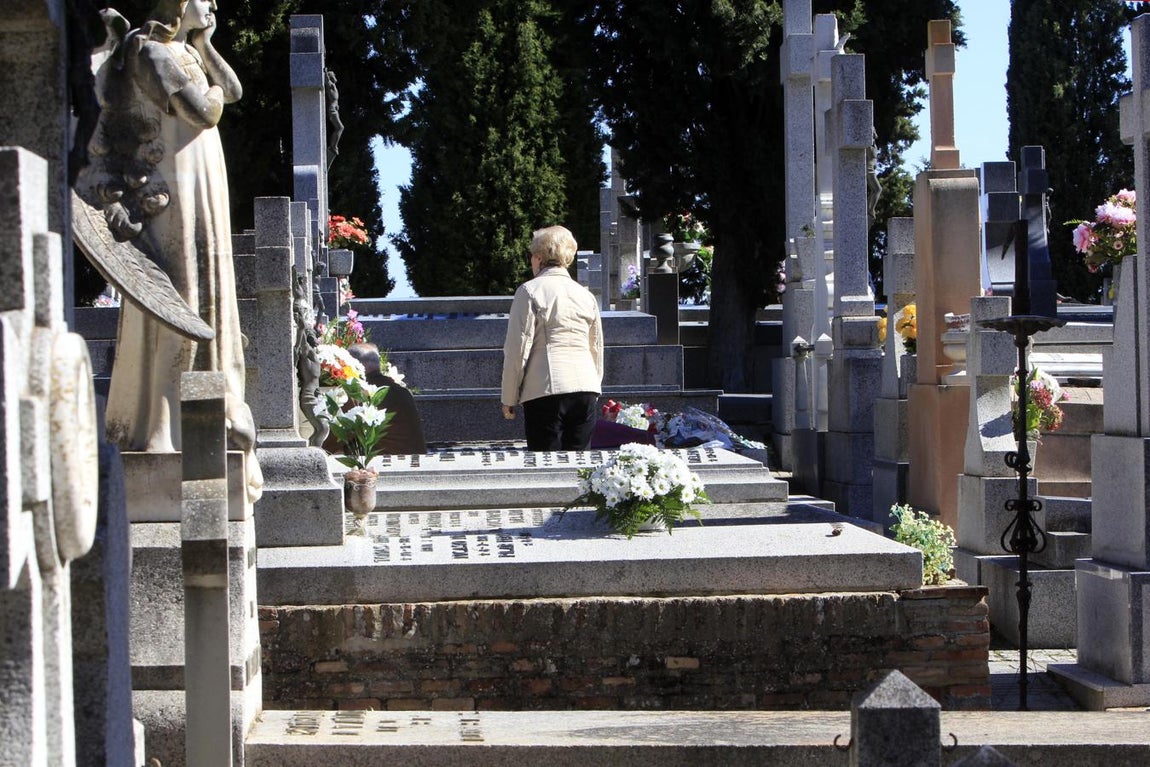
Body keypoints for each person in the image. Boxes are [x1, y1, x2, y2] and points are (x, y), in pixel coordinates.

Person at [92, 0, 262, 500]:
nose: (213, 4)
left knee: (206, 293)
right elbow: (205, 110)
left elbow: (231, 91)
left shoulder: (186, 50)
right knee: (178, 295)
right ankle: (160, 427)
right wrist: (206, 84)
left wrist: (205, 47)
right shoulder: (150, 52)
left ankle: (200, 414)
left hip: (203, 182)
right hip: (175, 188)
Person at [501, 226, 603, 451]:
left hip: (545, 389)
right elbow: (595, 347)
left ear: (538, 257)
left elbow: (517, 349)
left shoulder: (529, 291)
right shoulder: (586, 296)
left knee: (547, 468)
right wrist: (595, 387)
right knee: (580, 468)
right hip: (585, 388)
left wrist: (509, 396)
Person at [345, 344, 428, 455]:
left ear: (352, 365)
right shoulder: (403, 392)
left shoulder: (360, 393)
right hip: (416, 461)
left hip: (385, 465)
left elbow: (334, 440)